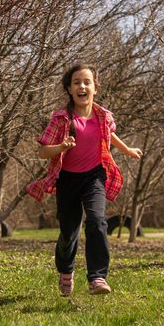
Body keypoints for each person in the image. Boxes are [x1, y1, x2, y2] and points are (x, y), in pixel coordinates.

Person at [26, 64, 142, 296]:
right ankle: (66, 270)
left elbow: (110, 134)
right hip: (67, 179)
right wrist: (61, 147)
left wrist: (127, 149)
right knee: (69, 233)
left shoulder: (102, 116)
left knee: (98, 222)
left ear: (95, 88)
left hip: (94, 177)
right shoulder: (61, 118)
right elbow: (42, 152)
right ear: (69, 89)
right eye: (76, 82)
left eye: (87, 82)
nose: (82, 86)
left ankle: (97, 277)